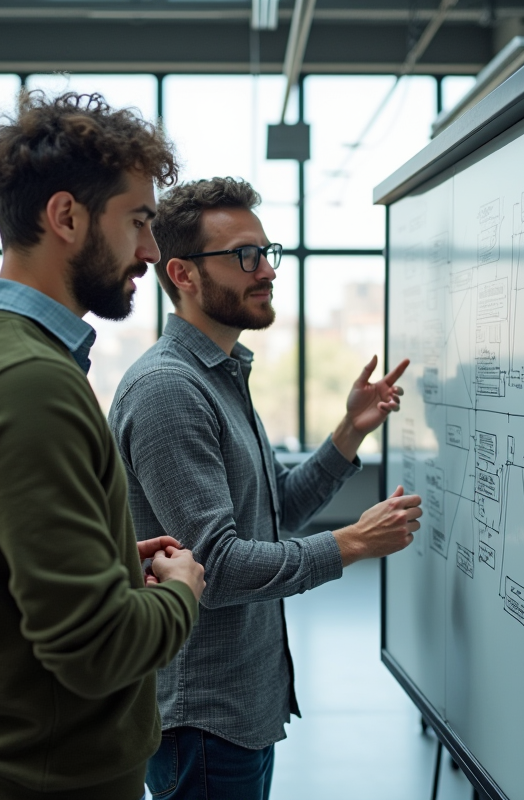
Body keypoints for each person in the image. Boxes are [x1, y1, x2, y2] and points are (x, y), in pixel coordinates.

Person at [0, 91, 206, 800]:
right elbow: (94, 650)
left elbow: (6, 571)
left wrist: (102, 560)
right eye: (138, 220)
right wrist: (184, 595)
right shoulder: (29, 383)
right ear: (66, 216)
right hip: (47, 785)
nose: (150, 250)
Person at [108, 176, 421, 799]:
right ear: (184, 274)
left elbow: (275, 510)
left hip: (241, 708)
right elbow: (215, 568)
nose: (268, 271)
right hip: (201, 718)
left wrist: (347, 434)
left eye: (266, 252)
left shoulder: (221, 374)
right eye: (244, 257)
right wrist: (352, 544)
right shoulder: (170, 390)